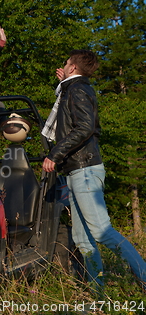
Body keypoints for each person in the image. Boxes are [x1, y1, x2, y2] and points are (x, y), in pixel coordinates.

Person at [42, 50, 146, 294]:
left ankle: (143, 275)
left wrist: (54, 154)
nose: (63, 65)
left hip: (85, 169)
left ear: (74, 67)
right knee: (82, 238)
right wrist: (62, 84)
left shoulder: (78, 90)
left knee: (100, 230)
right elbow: (65, 114)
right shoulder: (73, 88)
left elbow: (85, 127)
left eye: (66, 62)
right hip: (76, 170)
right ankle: (96, 296)